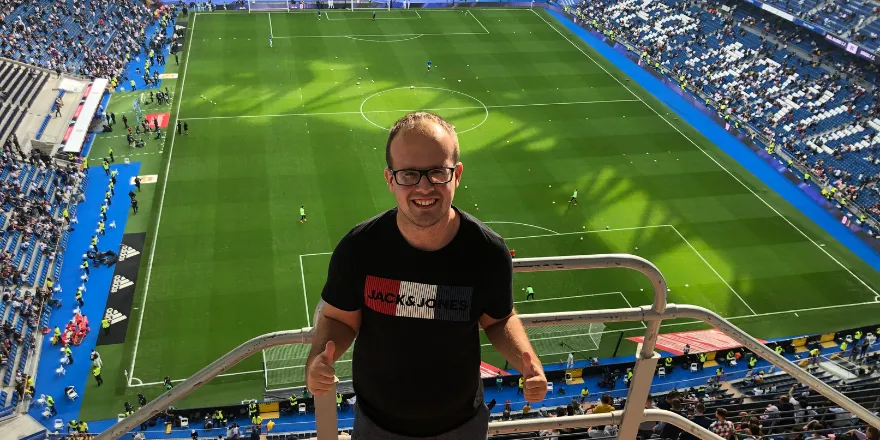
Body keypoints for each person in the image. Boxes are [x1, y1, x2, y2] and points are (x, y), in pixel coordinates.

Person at [305, 111, 546, 438]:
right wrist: (317, 359)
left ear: (456, 174)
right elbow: (339, 318)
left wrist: (526, 361)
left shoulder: (487, 251)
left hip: (461, 425)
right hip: (378, 426)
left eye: (436, 172)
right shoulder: (359, 248)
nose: (424, 187)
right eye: (408, 174)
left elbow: (498, 319)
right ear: (390, 179)